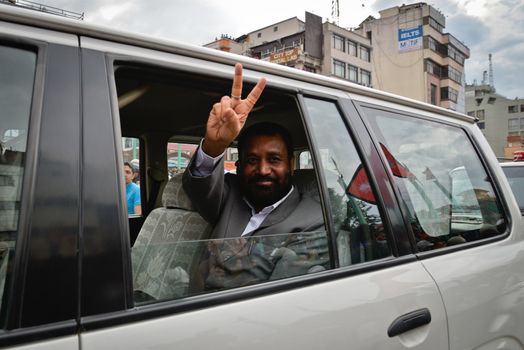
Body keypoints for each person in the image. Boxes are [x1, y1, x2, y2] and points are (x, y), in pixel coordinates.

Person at [182, 63, 326, 290]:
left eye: (274, 159)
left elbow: (279, 297)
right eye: (251, 160)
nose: (262, 170)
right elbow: (200, 185)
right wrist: (214, 145)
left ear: (291, 164)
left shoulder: (313, 219)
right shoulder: (229, 194)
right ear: (238, 166)